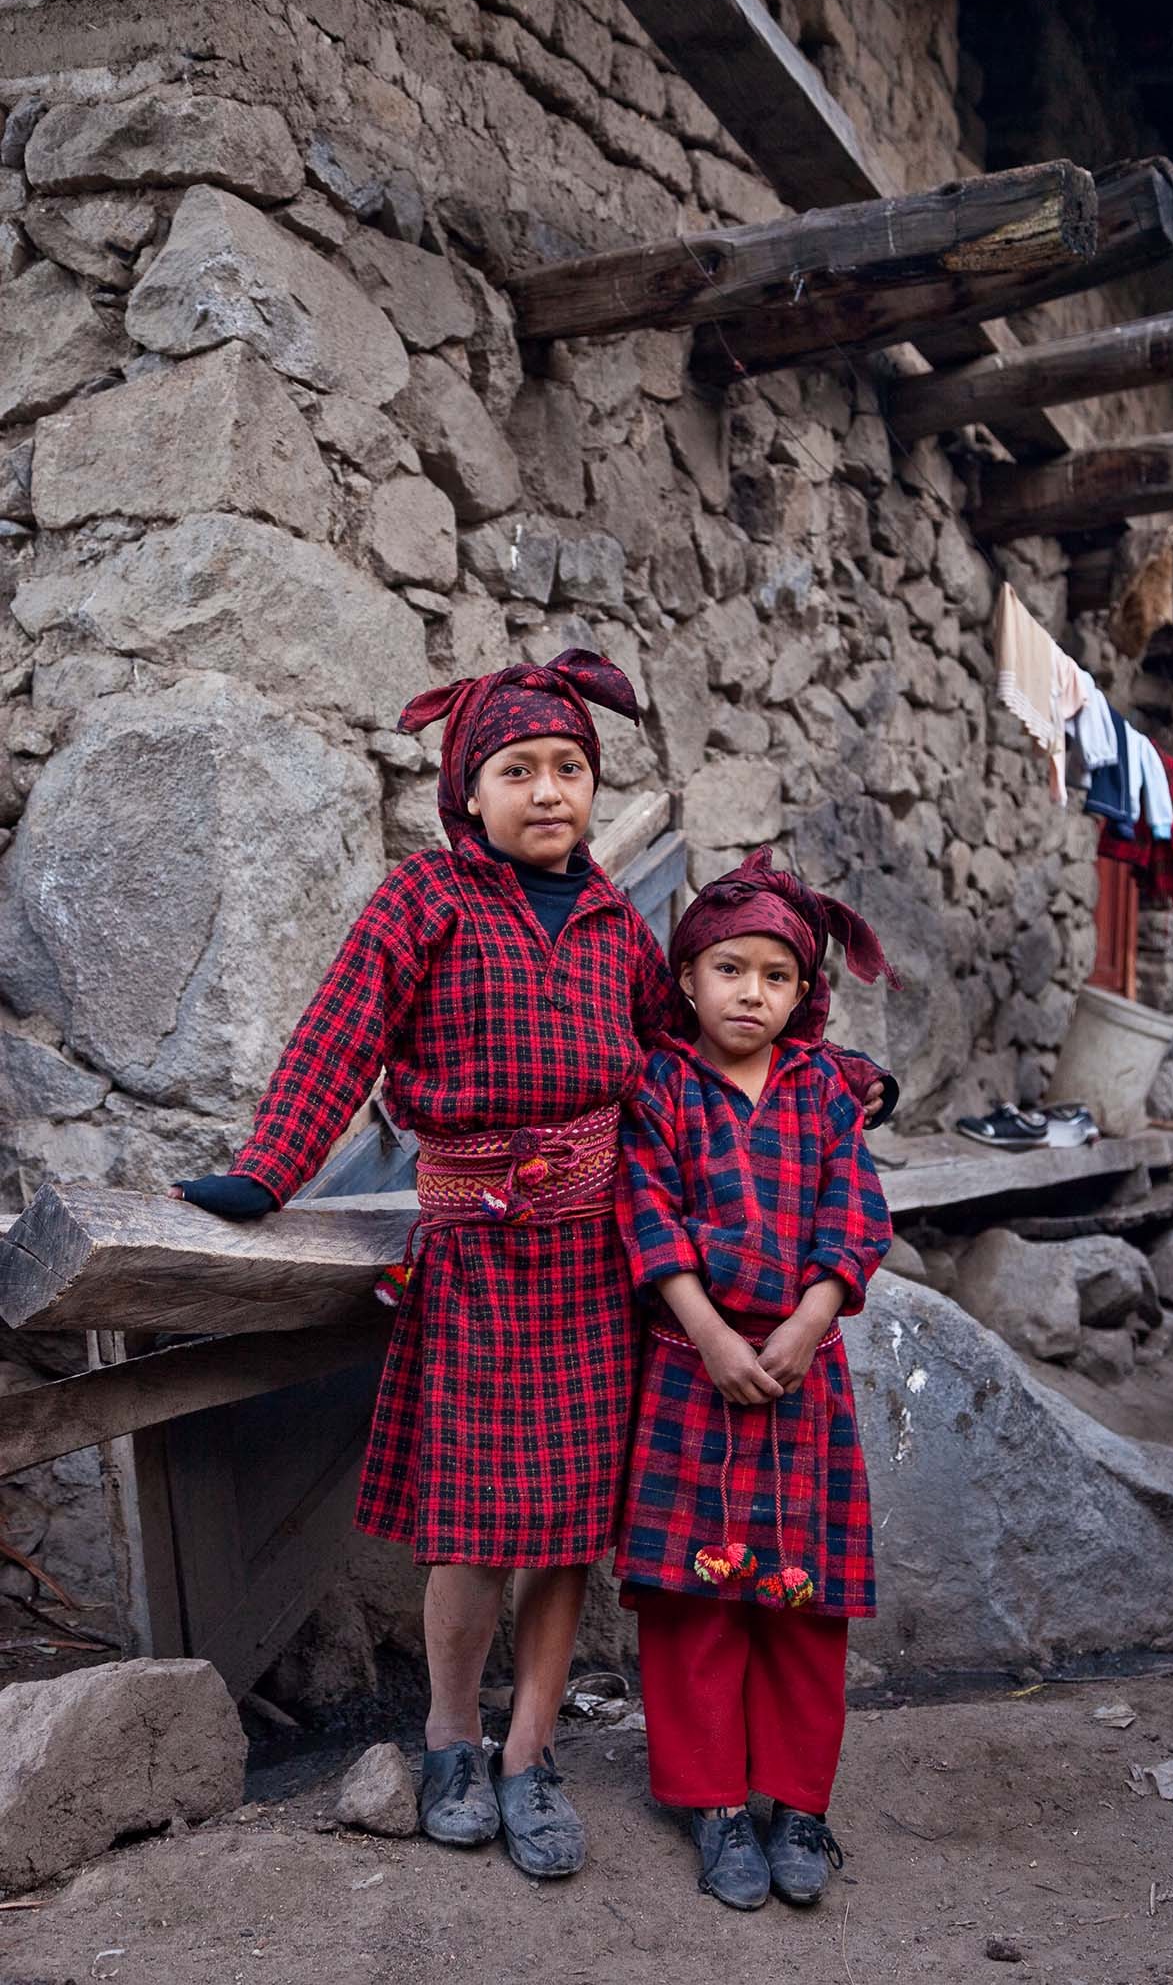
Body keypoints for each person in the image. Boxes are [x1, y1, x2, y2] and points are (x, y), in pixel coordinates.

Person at [169, 649, 888, 1883]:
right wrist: (271, 1169)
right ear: (469, 792)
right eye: (517, 769)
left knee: (566, 1526)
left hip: (599, 1262)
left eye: (568, 767)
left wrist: (836, 1074)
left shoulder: (615, 923)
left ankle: (531, 1751)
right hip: (475, 1254)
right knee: (470, 1523)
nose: (548, 789)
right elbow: (340, 1035)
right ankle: (451, 1734)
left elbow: (691, 1045)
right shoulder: (425, 902)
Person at [613, 850, 894, 1912]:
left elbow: (854, 1212)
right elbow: (645, 1212)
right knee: (695, 1600)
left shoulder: (824, 1088)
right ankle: (716, 1803)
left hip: (802, 1373)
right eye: (730, 969)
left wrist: (813, 1313)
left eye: (776, 976)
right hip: (696, 1369)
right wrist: (708, 1331)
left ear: (801, 991)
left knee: (802, 1600)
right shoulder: (659, 1086)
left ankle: (798, 1801)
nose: (751, 993)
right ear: (686, 979)